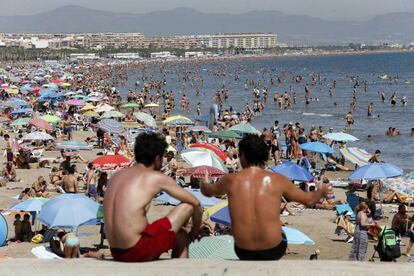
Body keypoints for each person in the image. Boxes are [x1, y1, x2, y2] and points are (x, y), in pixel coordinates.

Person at [200, 134, 328, 261]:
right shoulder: (278, 180)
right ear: (265, 156)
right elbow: (309, 199)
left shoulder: (230, 180)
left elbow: (207, 191)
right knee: (280, 231)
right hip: (273, 249)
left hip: (244, 250)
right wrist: (321, 191)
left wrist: (204, 182)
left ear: (242, 156)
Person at [104, 133, 202, 262]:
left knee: (181, 235)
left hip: (116, 251)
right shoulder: (154, 177)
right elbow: (195, 203)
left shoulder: (116, 176)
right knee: (187, 206)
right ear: (157, 159)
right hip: (136, 249)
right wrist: (195, 229)